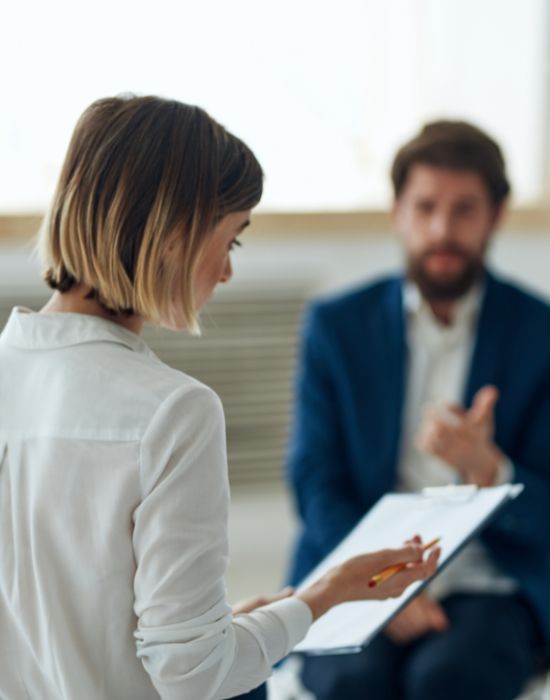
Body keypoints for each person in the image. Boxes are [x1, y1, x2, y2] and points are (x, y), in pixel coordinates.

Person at [0, 95, 439, 700]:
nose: (227, 272)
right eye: (231, 240)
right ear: (173, 233)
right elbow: (194, 677)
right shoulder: (175, 411)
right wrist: (325, 595)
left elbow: (63, 624)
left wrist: (223, 627)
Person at [287, 120, 550, 700]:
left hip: (490, 581)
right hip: (356, 569)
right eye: (426, 207)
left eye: (464, 210)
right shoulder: (338, 326)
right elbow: (313, 478)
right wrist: (377, 578)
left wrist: (490, 470)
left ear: (496, 216)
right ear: (397, 212)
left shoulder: (541, 332)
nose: (442, 230)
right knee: (351, 682)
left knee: (447, 679)